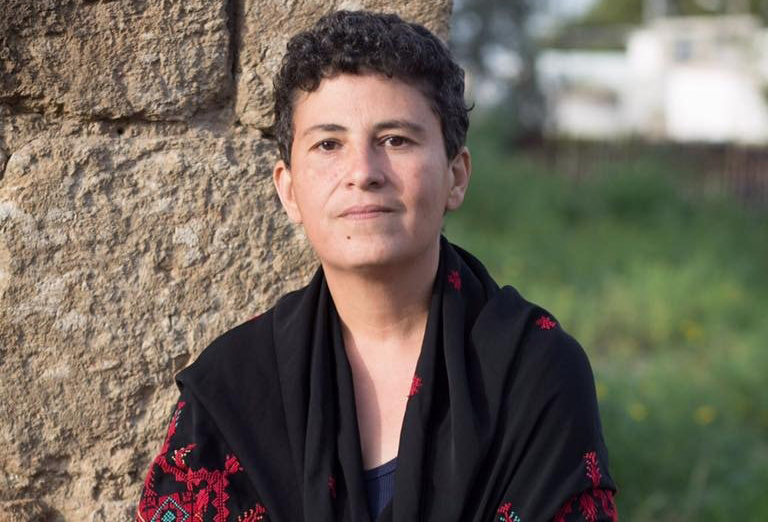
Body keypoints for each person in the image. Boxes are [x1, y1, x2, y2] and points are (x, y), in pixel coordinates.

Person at [136, 10, 617, 522]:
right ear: (289, 190)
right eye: (328, 144)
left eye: (396, 140)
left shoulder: (534, 372)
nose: (363, 173)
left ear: (456, 176)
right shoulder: (233, 388)